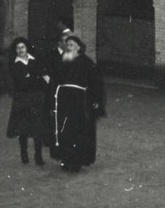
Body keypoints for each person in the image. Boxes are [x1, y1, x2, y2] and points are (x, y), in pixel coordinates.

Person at [48, 35, 105, 173]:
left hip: (80, 101)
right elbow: (53, 82)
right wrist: (50, 101)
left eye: (72, 45)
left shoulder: (87, 63)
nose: (68, 47)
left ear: (79, 47)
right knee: (63, 129)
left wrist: (96, 100)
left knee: (78, 131)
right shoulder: (61, 61)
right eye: (67, 45)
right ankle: (64, 159)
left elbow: (96, 83)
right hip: (62, 101)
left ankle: (76, 161)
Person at [6, 37, 50, 165]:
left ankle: (38, 156)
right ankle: (24, 153)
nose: (20, 50)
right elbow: (20, 82)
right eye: (18, 48)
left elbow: (43, 76)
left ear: (27, 48)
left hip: (36, 98)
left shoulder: (34, 60)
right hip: (22, 99)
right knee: (23, 128)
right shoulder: (14, 64)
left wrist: (32, 76)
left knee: (38, 128)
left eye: (23, 47)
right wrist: (35, 76)